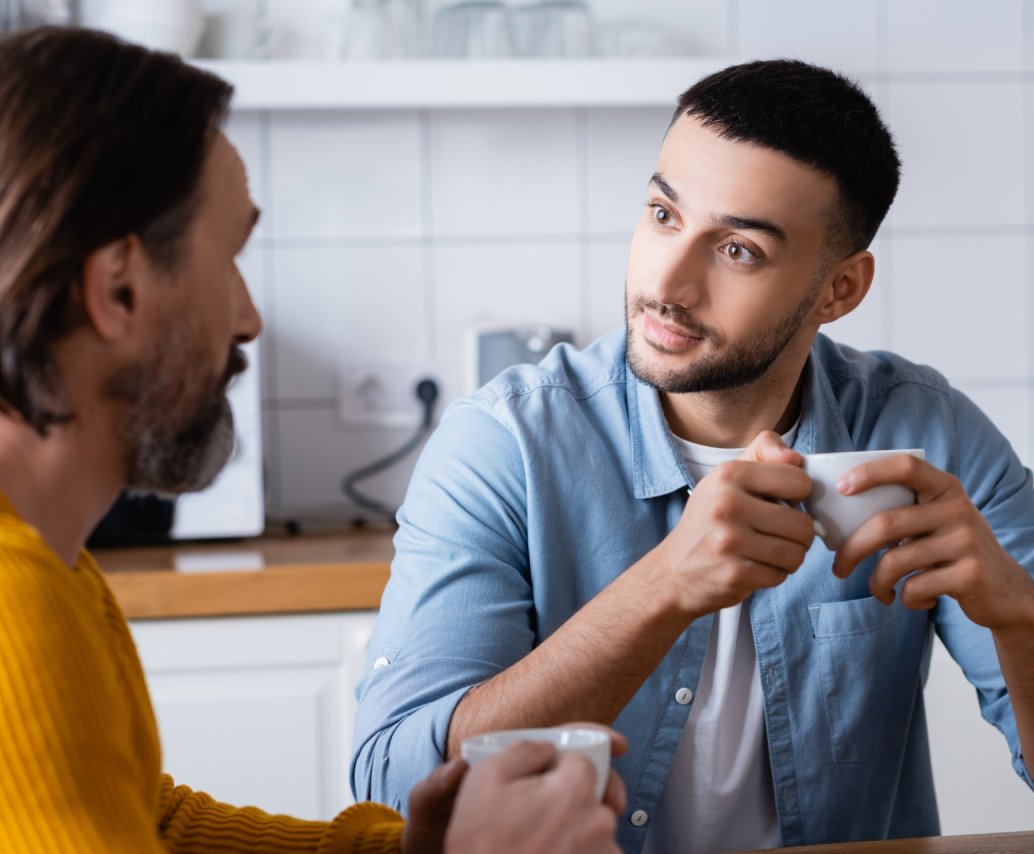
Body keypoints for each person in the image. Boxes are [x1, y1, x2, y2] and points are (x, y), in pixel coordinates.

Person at [352, 59, 1034, 853]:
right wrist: (664, 586)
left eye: (738, 249)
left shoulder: (931, 439)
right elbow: (396, 795)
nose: (668, 282)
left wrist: (1021, 614)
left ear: (838, 290)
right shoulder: (505, 443)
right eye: (663, 215)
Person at [0, 27, 624, 854]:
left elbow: (153, 823)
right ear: (116, 287)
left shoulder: (56, 569)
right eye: (228, 258)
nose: (249, 317)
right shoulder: (17, 603)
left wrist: (406, 851)